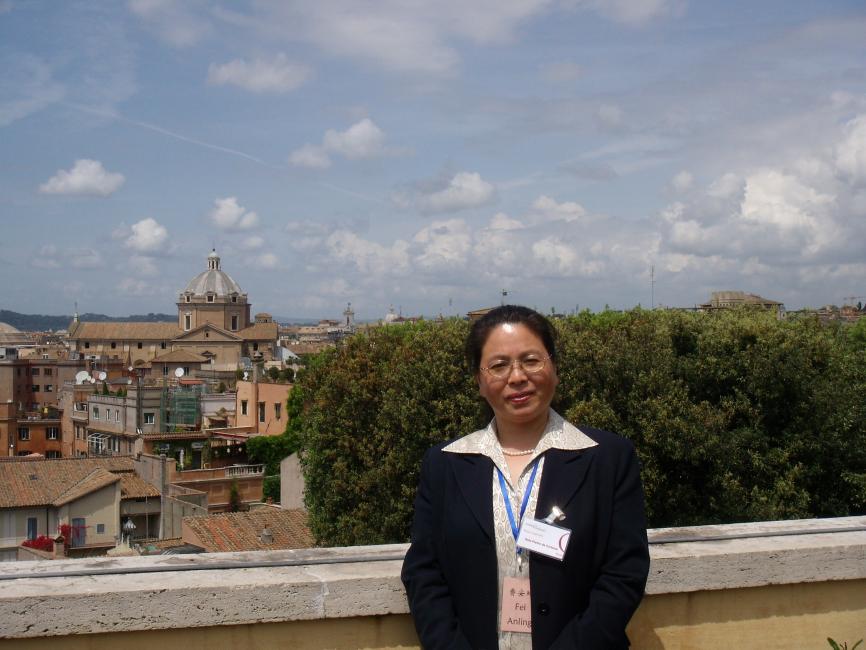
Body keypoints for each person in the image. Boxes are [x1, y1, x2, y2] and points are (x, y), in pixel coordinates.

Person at [401, 305, 649, 649]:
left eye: (531, 361)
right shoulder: (445, 464)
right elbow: (424, 573)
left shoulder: (607, 458)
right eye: (499, 365)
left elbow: (624, 573)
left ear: (554, 368)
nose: (517, 376)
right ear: (479, 381)